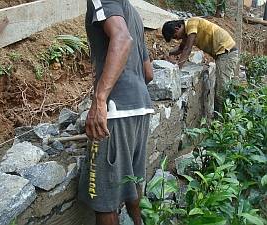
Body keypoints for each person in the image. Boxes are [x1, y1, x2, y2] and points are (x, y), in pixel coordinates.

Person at [78, 0, 154, 225]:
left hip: (115, 111)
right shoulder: (134, 15)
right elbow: (148, 73)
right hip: (141, 107)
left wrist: (99, 100)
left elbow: (122, 39)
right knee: (131, 182)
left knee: (104, 197)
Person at [161, 17, 239, 111]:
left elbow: (187, 49)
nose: (177, 39)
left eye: (175, 36)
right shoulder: (187, 34)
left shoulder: (191, 24)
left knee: (221, 91)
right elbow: (181, 49)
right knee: (221, 89)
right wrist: (168, 53)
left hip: (227, 52)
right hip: (222, 54)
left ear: (177, 29)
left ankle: (222, 120)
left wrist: (177, 68)